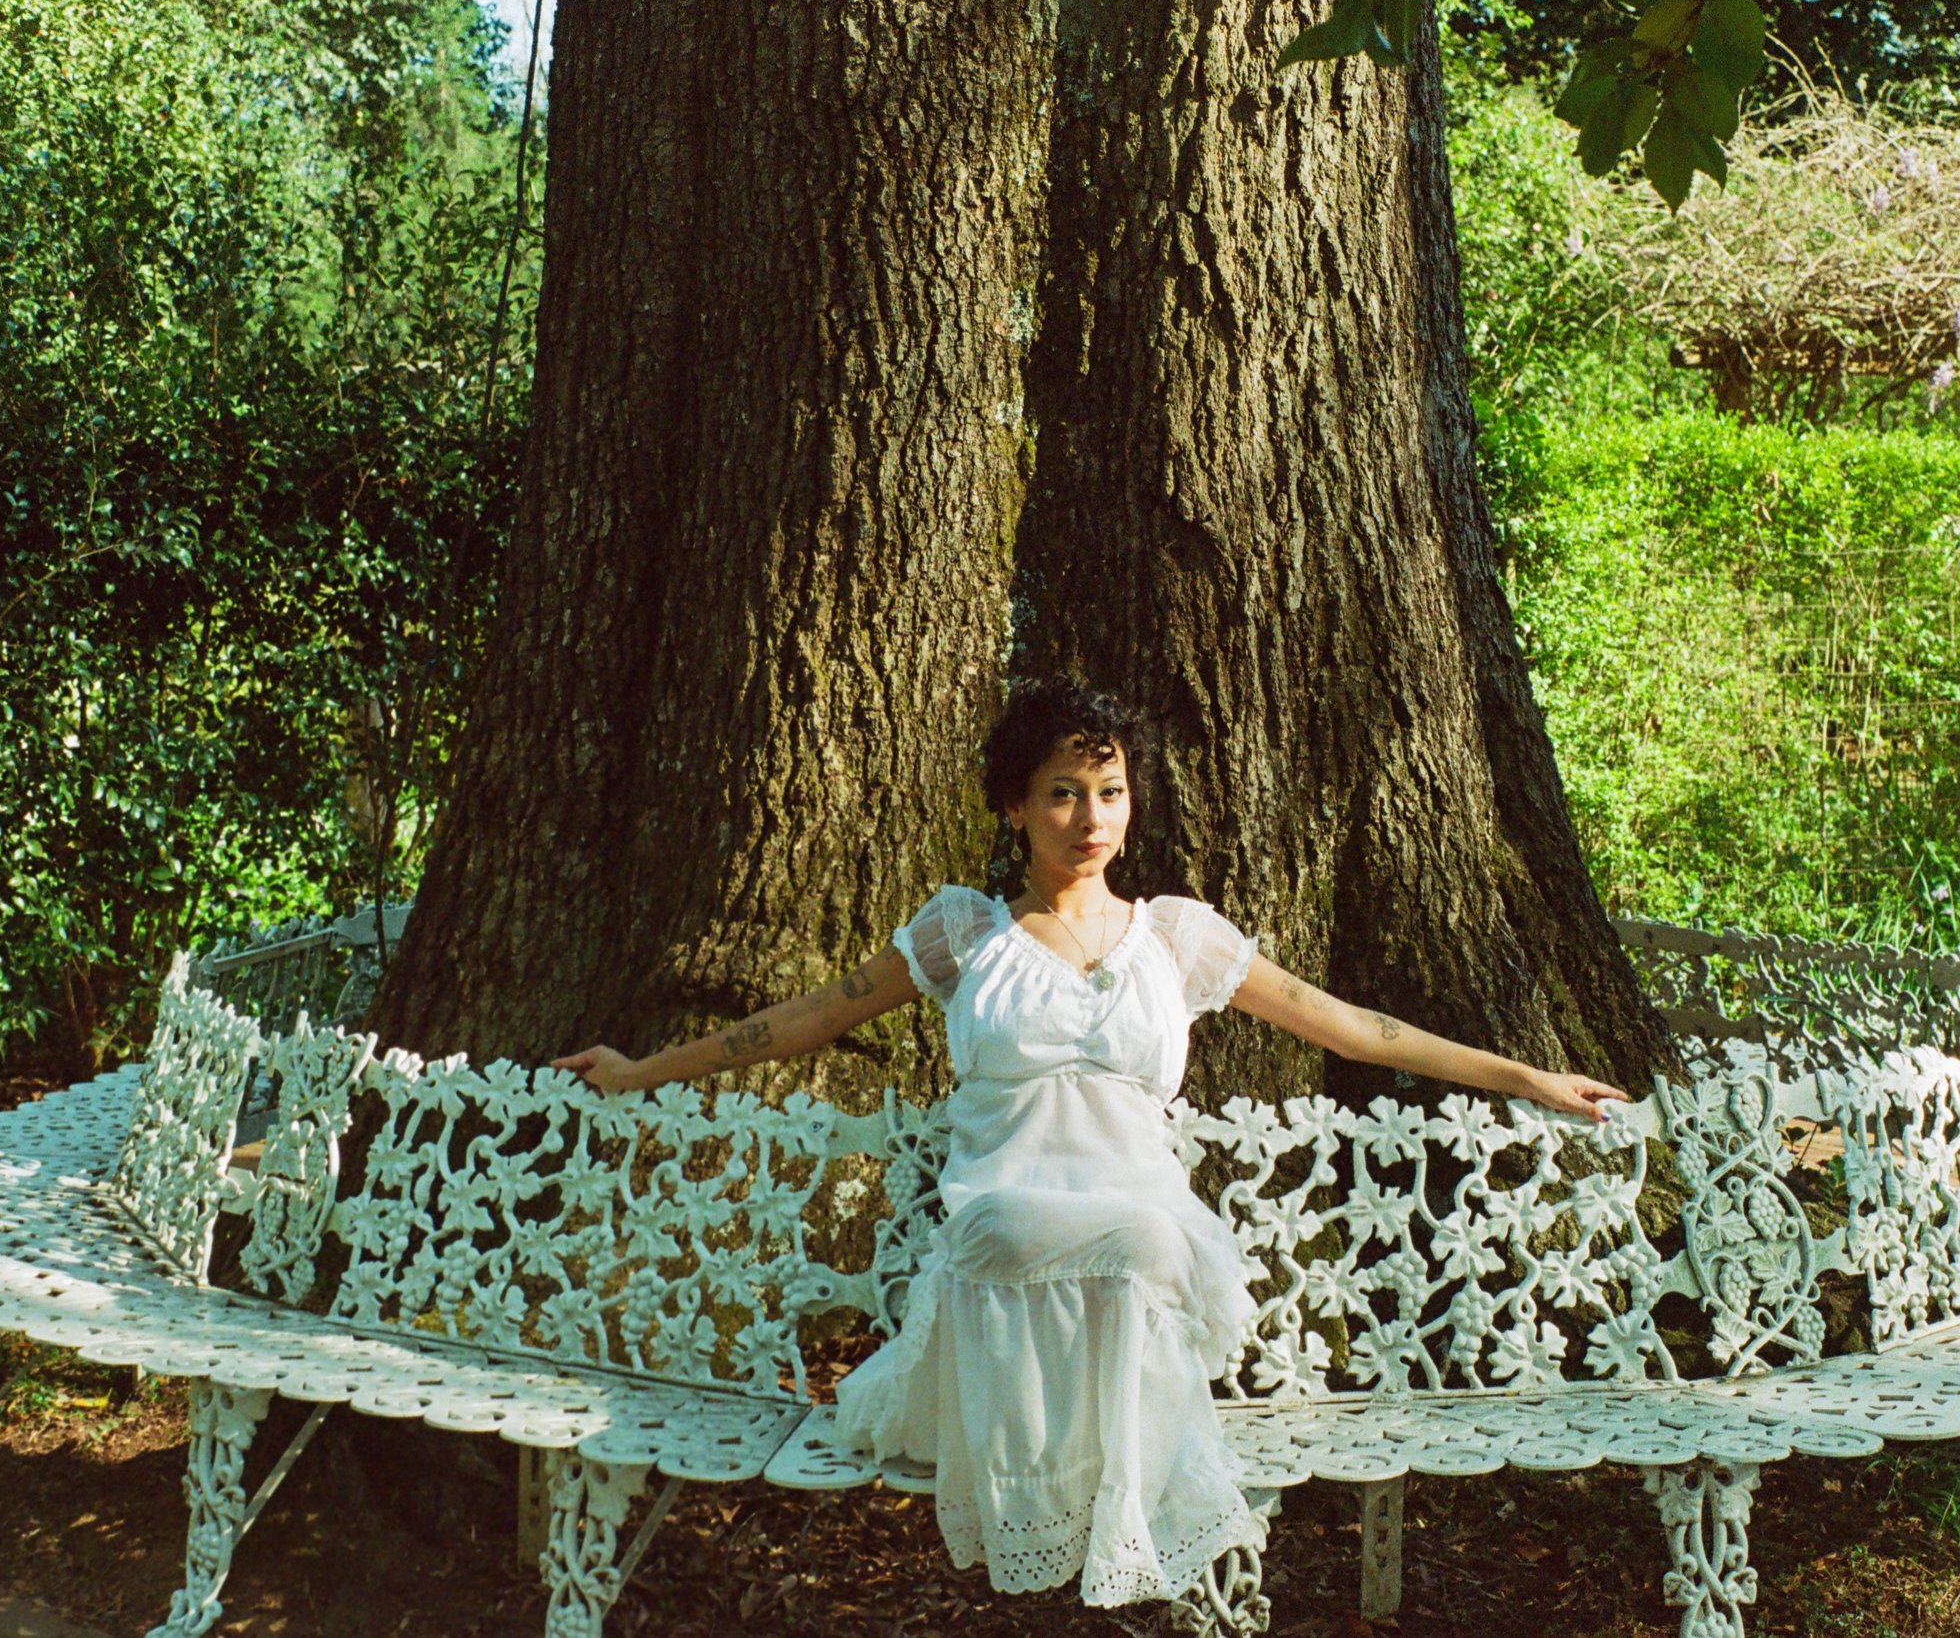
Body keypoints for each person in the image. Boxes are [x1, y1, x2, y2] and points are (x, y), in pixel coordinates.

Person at [552, 678, 1631, 1611]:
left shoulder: (1174, 935)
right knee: (1018, 1227)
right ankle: (1074, 1490)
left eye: (1109, 791)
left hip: (1142, 1227)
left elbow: (1350, 1022)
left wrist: (1524, 1073)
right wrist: (645, 1068)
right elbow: (808, 1016)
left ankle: (1123, 1509)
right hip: (1003, 1225)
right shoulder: (964, 933)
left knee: (1145, 1239)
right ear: (1014, 803)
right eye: (1063, 791)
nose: (1090, 816)